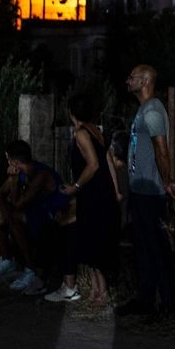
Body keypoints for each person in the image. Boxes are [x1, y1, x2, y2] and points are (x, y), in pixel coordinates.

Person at [116, 64, 175, 319]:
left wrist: (166, 182)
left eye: (131, 77)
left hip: (151, 194)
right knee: (144, 248)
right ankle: (146, 301)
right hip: (140, 190)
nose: (127, 80)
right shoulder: (144, 110)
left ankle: (167, 306)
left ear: (144, 81)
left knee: (157, 249)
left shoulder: (153, 111)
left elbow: (161, 151)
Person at [47, 94, 121, 304]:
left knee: (93, 242)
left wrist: (75, 187)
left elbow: (95, 164)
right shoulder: (96, 131)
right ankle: (97, 290)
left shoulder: (81, 133)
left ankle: (102, 292)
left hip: (92, 193)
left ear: (71, 112)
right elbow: (108, 163)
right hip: (101, 192)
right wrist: (115, 190)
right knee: (92, 240)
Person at [0, 140, 66, 296]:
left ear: (15, 161)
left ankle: (30, 269)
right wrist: (3, 210)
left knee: (13, 216)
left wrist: (14, 182)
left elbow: (18, 204)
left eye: (8, 159)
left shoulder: (39, 174)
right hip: (32, 212)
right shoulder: (19, 172)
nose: (7, 163)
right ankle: (7, 259)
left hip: (51, 214)